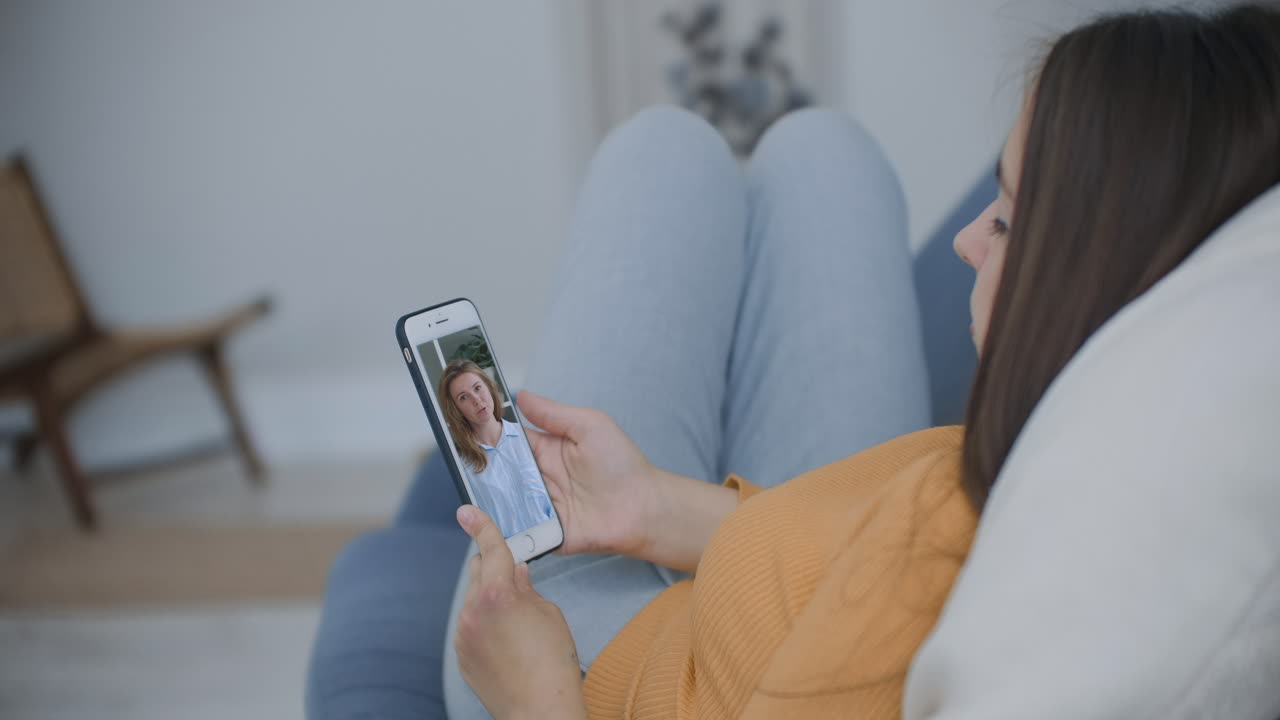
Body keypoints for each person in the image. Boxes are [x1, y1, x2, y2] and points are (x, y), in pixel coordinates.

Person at [442, 5, 1280, 719]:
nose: (964, 239)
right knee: (823, 148)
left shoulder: (991, 583)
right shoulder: (1066, 449)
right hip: (756, 586)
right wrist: (653, 508)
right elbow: (850, 551)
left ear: (1094, 265)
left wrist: (533, 694)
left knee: (661, 151)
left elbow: (876, 584)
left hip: (578, 663)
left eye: (1007, 220)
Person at [437, 359, 552, 539]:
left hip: (555, 542)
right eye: (463, 397)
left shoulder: (529, 438)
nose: (476, 399)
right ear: (457, 410)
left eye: (477, 388)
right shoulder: (462, 466)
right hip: (509, 557)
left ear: (489, 388)